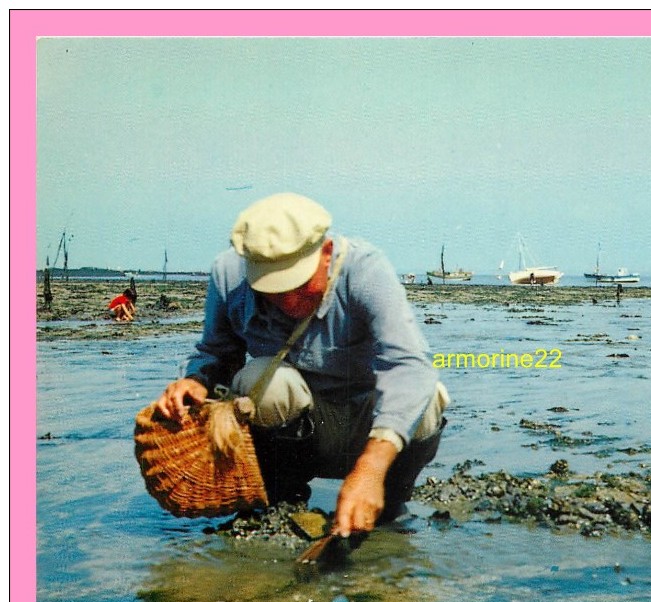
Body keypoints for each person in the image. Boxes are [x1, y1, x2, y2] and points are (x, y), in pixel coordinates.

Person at [155, 193, 448, 538]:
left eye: (298, 285)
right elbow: (217, 353)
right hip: (301, 430)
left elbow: (409, 364)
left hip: (368, 426)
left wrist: (371, 468)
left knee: (429, 397)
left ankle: (388, 503)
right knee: (263, 379)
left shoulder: (365, 268)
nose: (289, 302)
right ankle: (283, 504)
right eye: (273, 291)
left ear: (325, 253)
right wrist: (197, 381)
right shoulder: (227, 275)